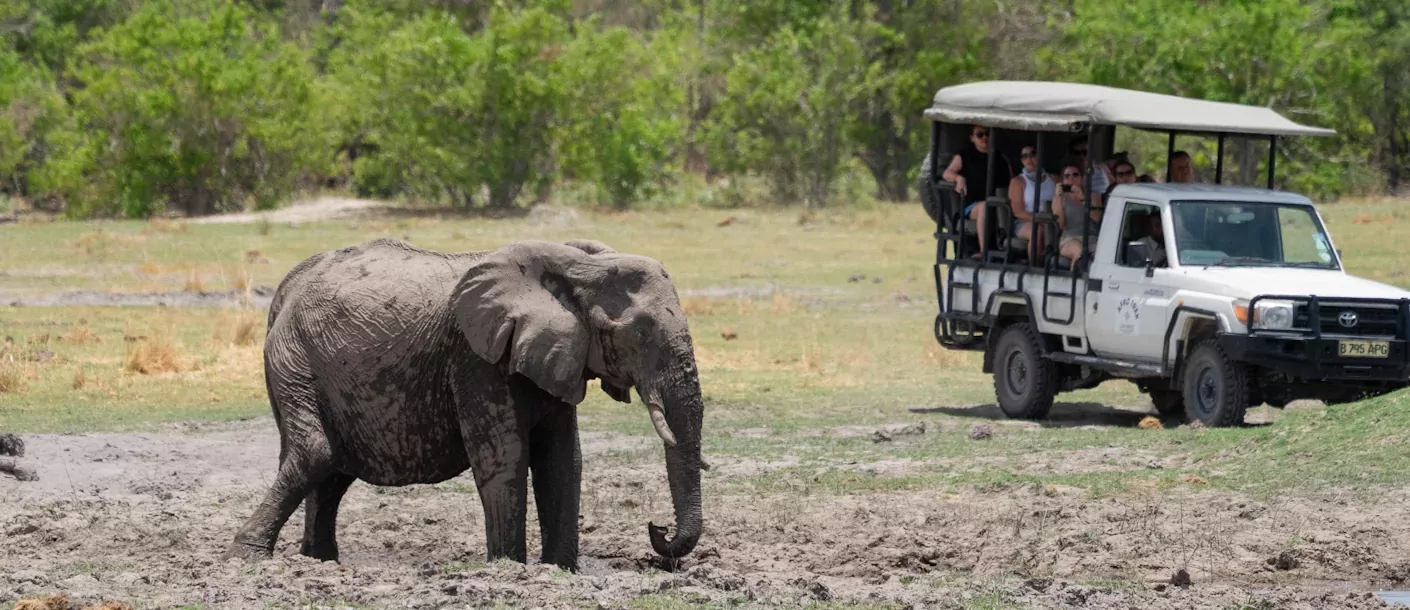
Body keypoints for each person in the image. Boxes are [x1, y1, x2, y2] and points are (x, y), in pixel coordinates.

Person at [943, 125, 1013, 256]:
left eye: (987, 134)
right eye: (980, 135)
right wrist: (958, 178)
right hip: (972, 205)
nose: (984, 137)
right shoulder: (964, 155)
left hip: (999, 204)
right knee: (984, 207)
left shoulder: (1000, 158)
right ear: (972, 138)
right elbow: (947, 173)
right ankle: (984, 251)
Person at [1053, 161, 1103, 270]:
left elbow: (1096, 217)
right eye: (1067, 176)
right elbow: (1060, 224)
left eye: (1075, 175)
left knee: (1103, 258)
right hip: (1069, 239)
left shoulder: (1093, 196)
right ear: (1062, 180)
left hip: (1092, 239)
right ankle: (1074, 282)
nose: (1071, 178)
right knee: (1079, 252)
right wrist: (1058, 198)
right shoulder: (1060, 199)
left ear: (1082, 178)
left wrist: (1083, 199)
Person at [1006, 145, 1056, 249]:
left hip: (1053, 220)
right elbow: (1018, 212)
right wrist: (1040, 220)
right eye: (1024, 156)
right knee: (1037, 232)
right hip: (1026, 221)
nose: (1028, 159)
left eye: (1032, 154)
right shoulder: (1018, 181)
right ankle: (1035, 264)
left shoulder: (1054, 178)